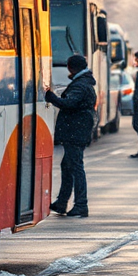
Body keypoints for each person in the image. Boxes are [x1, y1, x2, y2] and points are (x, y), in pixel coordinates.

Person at [44, 54, 97, 218]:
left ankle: (81, 204)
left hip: (75, 131)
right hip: (78, 130)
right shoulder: (85, 82)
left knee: (75, 167)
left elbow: (69, 103)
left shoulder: (80, 85)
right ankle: (61, 202)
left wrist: (50, 96)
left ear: (71, 67)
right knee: (68, 166)